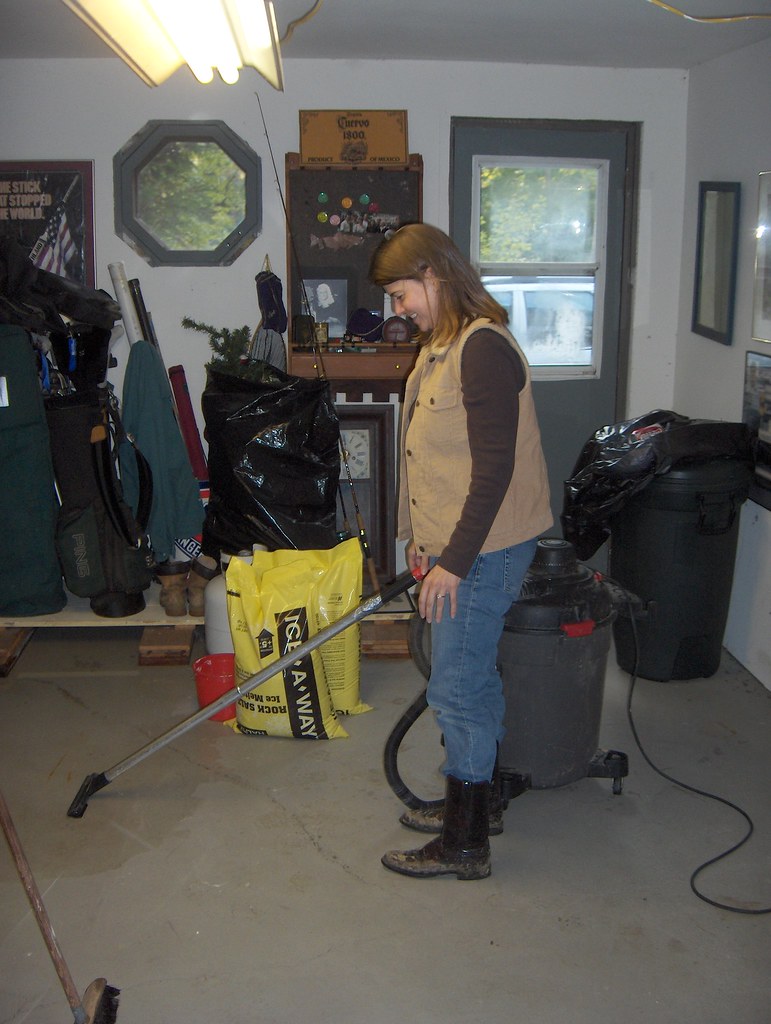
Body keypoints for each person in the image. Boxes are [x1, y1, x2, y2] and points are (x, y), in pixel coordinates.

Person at [369, 224, 552, 880]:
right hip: (455, 545)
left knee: (456, 687)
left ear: (435, 275)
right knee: (469, 676)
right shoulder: (440, 344)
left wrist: (453, 561)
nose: (399, 309)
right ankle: (482, 799)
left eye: (401, 294)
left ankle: (464, 840)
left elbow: (494, 468)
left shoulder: (481, 350)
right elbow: (433, 457)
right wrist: (422, 546)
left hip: (484, 549)